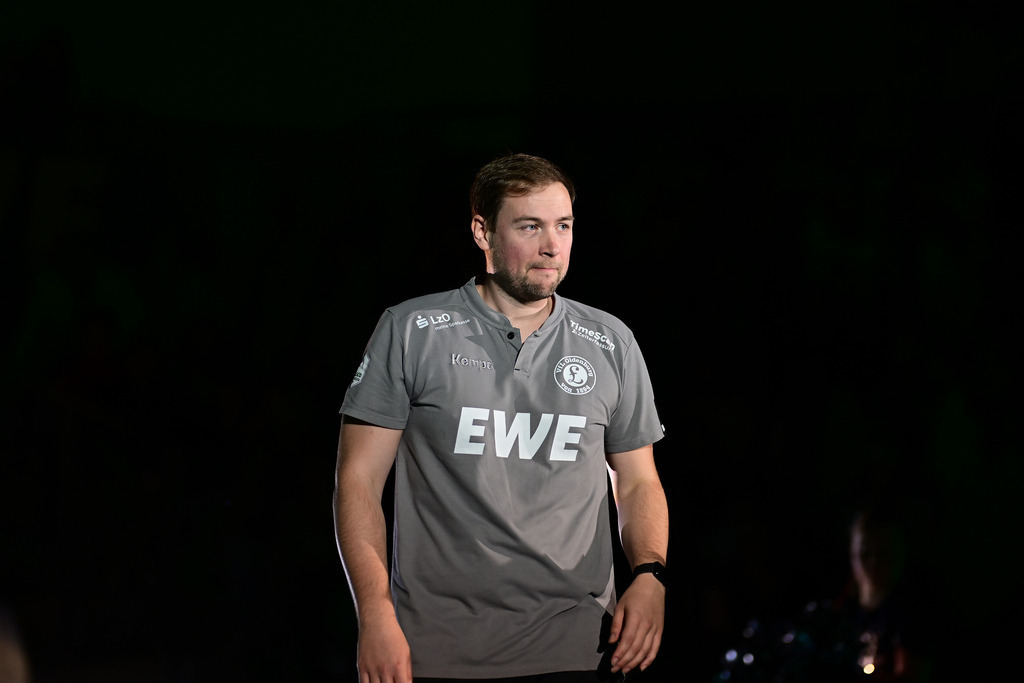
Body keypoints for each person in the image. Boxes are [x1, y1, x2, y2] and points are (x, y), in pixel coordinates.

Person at [334, 153, 669, 682]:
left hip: (579, 647)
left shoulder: (612, 342)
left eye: (563, 225)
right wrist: (373, 614)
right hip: (435, 650)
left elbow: (637, 481)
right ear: (482, 231)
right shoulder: (411, 330)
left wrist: (650, 574)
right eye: (529, 226)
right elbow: (357, 482)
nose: (551, 245)